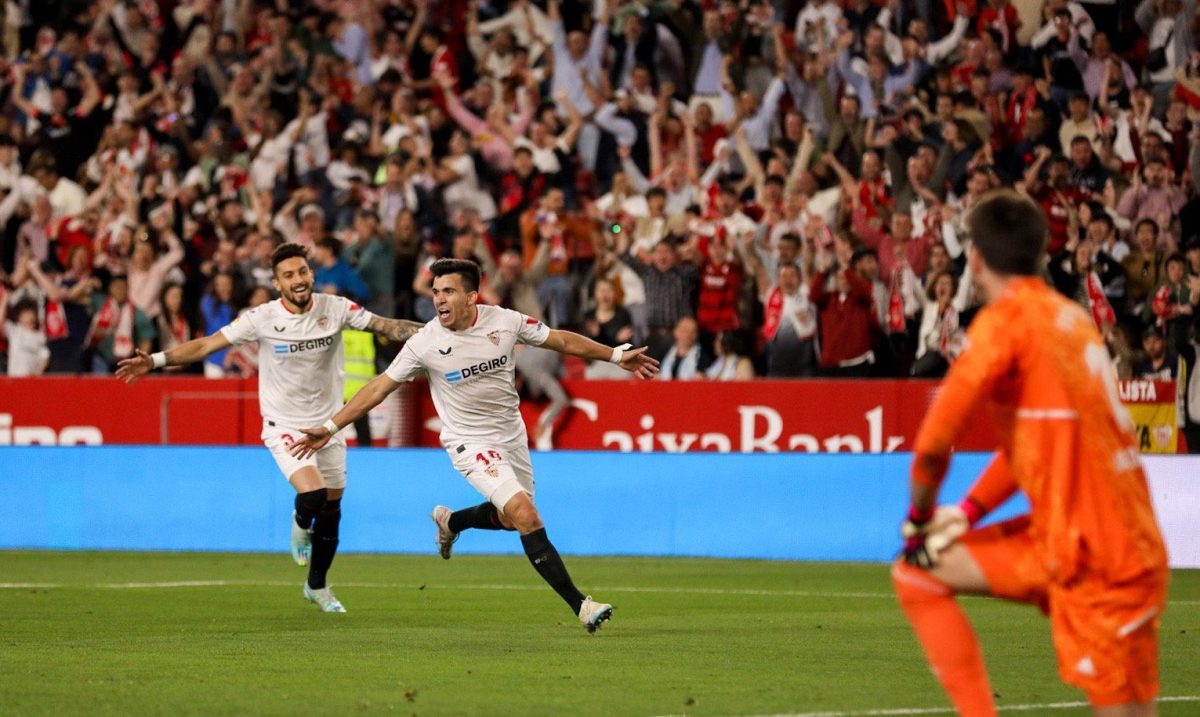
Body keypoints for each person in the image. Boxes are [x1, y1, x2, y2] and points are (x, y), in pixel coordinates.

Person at [894, 190, 1168, 717]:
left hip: (1095, 559)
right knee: (918, 572)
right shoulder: (1071, 320)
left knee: (916, 564)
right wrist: (969, 510)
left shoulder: (1004, 324)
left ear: (974, 257)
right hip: (1110, 541)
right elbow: (1035, 446)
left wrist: (919, 517)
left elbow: (934, 442)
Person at [288, 258, 659, 633]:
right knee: (527, 515)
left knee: (513, 521)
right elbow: (380, 386)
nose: (439, 300)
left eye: (448, 291)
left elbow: (560, 339)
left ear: (471, 296)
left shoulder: (505, 321)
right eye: (435, 292)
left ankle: (452, 521)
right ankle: (582, 605)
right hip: (468, 442)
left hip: (511, 436)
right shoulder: (426, 342)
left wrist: (615, 355)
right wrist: (331, 426)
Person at [116, 244, 422, 614]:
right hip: (284, 425)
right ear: (277, 283)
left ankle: (318, 586)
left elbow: (385, 326)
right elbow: (207, 344)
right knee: (313, 497)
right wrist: (157, 360)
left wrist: (436, 335)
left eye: (303, 272)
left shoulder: (336, 308)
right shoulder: (261, 318)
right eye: (289, 275)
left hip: (329, 424)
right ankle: (298, 521)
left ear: (311, 274)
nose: (299, 280)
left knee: (332, 509)